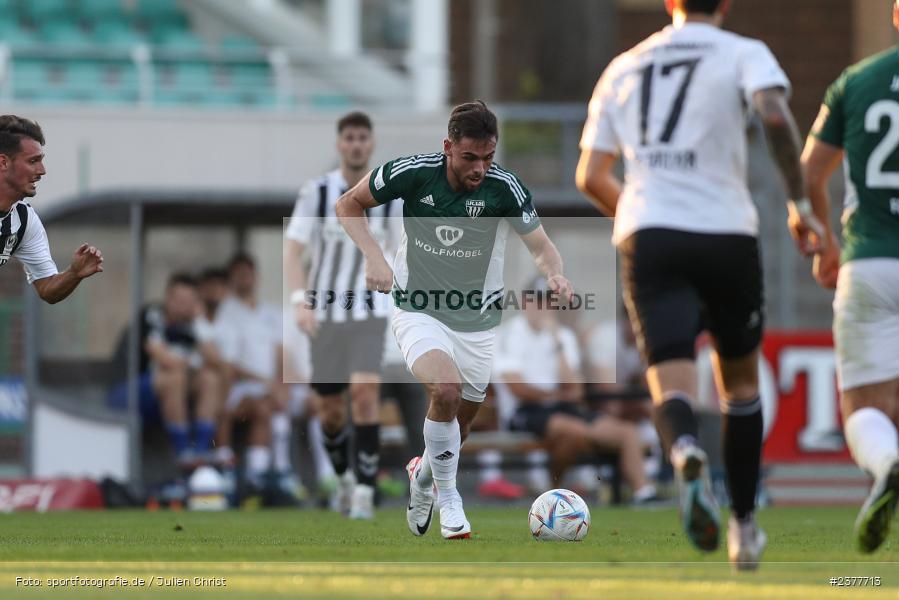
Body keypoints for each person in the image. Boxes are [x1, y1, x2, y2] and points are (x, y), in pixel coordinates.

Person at [575, 0, 824, 569]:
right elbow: (776, 116)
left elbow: (589, 175)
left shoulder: (624, 65)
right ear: (726, 3)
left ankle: (683, 448)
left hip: (650, 233)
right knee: (738, 387)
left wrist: (641, 212)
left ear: (669, 3)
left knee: (673, 383)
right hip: (725, 231)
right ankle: (743, 527)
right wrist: (799, 203)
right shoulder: (744, 52)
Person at [336, 100, 573, 540]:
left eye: (488, 157)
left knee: (456, 430)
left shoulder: (505, 187)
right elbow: (348, 204)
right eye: (469, 158)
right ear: (448, 147)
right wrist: (375, 258)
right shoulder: (412, 172)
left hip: (478, 323)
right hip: (418, 308)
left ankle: (423, 477)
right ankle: (451, 503)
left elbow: (540, 245)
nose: (480, 168)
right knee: (443, 390)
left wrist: (555, 273)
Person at [800, 0, 899, 554]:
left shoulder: (856, 81)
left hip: (871, 261)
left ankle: (886, 464)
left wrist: (825, 245)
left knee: (865, 406)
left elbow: (812, 170)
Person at [284, 111, 402, 519]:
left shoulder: (389, 196)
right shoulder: (316, 193)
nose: (355, 145)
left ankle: (366, 494)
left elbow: (402, 253)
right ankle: (345, 480)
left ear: (371, 144)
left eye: (362, 138)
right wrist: (300, 300)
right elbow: (294, 248)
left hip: (369, 311)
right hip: (325, 315)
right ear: (340, 143)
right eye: (349, 138)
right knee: (330, 412)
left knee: (366, 395)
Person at [497, 278, 658, 503]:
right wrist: (558, 395)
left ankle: (644, 494)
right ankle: (553, 492)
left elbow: (574, 387)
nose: (543, 307)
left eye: (548, 302)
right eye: (537, 301)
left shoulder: (562, 336)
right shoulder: (508, 334)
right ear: (525, 302)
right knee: (573, 432)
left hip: (562, 409)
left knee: (626, 433)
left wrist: (556, 342)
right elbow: (518, 389)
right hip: (524, 412)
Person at [215, 253, 297, 504]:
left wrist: (282, 385)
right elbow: (228, 364)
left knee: (289, 405)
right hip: (240, 388)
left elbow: (281, 353)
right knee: (265, 408)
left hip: (270, 387)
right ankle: (257, 478)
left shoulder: (270, 312)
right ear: (231, 279)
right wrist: (266, 383)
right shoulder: (226, 313)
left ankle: (273, 475)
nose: (245, 279)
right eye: (239, 275)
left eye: (248, 273)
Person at [0, 115, 102, 302]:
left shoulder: (24, 220)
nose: (42, 170)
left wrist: (74, 273)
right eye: (33, 161)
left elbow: (47, 287)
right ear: (3, 162)